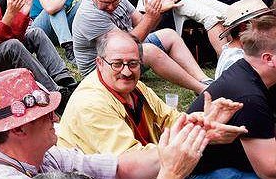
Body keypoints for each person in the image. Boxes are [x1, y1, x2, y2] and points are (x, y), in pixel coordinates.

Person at [0, 68, 209, 179]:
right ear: (18, 128)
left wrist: (180, 140)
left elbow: (118, 167)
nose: (55, 119)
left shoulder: (44, 156)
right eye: (46, 115)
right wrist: (170, 174)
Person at [58, 30, 245, 156]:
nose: (126, 71)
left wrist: (202, 122)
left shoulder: (136, 88)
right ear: (99, 63)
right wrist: (198, 137)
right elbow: (131, 160)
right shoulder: (91, 103)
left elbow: (170, 119)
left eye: (133, 63)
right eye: (117, 64)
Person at [71, 0, 214, 94]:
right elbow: (126, 46)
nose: (111, 6)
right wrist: (150, 17)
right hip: (100, 68)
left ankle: (203, 79)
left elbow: (144, 25)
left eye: (115, 1)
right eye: (105, 3)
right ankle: (202, 90)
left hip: (122, 55)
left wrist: (156, 12)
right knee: (149, 51)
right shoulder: (88, 14)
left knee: (169, 35)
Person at [187, 14, 276, 179]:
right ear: (269, 59)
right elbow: (270, 171)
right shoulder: (249, 96)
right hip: (203, 173)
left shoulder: (250, 71)